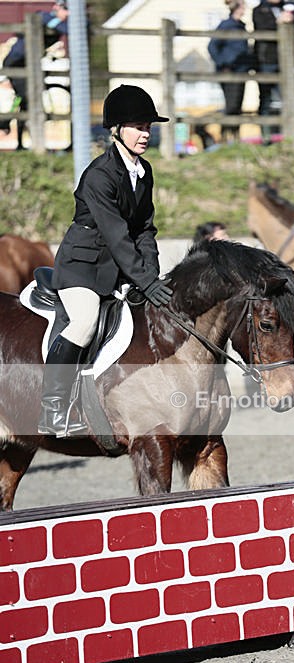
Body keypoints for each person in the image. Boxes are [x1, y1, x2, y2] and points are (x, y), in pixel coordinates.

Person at [38, 84, 176, 437]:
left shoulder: (143, 171)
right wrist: (143, 280)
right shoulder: (99, 175)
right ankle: (52, 407)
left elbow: (144, 229)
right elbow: (116, 234)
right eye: (138, 127)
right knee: (84, 322)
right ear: (117, 130)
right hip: (81, 267)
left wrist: (151, 275)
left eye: (148, 127)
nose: (145, 134)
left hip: (117, 269)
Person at [0, 0, 69, 149]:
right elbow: (63, 27)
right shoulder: (45, 17)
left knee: (25, 101)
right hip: (16, 63)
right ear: (56, 7)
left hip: (30, 65)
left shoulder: (55, 21)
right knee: (26, 99)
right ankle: (7, 125)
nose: (68, 13)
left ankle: (10, 128)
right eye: (65, 9)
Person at [207, 0, 254, 143]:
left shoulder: (240, 26)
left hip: (241, 71)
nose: (245, 9)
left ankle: (235, 137)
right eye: (243, 6)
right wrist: (223, 63)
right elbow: (212, 46)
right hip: (229, 71)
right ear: (237, 8)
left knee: (237, 104)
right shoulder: (226, 25)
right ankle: (226, 136)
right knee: (232, 105)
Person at [252, 0, 294, 141]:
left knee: (288, 98)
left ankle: (289, 136)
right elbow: (262, 29)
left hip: (285, 60)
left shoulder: (287, 8)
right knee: (265, 99)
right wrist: (279, 22)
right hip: (266, 60)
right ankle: (266, 137)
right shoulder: (259, 10)